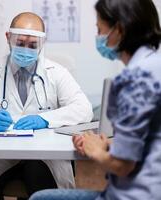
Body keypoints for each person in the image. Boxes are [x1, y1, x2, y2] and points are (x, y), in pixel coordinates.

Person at [30, 0, 161, 199]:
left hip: (138, 193)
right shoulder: (155, 64)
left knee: (40, 197)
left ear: (119, 29)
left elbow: (123, 165)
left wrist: (95, 149)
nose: (98, 36)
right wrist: (109, 145)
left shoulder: (134, 79)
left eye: (99, 29)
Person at [0, 12, 93, 199]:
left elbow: (83, 108)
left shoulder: (56, 72)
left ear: (42, 43)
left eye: (32, 45)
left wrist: (44, 119)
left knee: (38, 177)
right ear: (8, 38)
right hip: (1, 150)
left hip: (44, 153)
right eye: (20, 43)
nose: (25, 50)